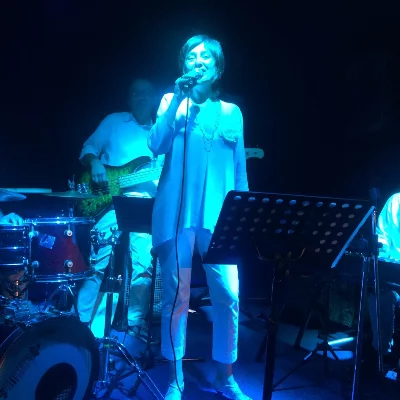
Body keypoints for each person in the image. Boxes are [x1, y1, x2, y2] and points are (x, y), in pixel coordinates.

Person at [148, 35, 251, 400]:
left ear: (218, 68)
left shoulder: (232, 113)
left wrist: (243, 218)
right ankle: (175, 379)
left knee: (229, 294)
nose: (198, 60)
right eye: (191, 56)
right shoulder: (170, 102)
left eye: (206, 56)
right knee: (176, 297)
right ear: (183, 66)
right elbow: (155, 144)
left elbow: (239, 171)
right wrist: (178, 99)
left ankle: (225, 376)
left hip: (220, 218)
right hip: (176, 215)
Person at [77, 78, 163, 338]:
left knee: (144, 266)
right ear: (128, 98)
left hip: (144, 203)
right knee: (97, 264)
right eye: (135, 93)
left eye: (146, 92)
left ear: (155, 98)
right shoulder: (114, 121)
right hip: (110, 201)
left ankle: (134, 324)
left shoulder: (162, 131)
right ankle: (79, 323)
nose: (141, 97)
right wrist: (95, 163)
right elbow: (88, 148)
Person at [371, 193, 400, 360]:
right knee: (379, 294)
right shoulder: (396, 200)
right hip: (395, 275)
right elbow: (382, 238)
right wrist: (381, 259)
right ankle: (382, 357)